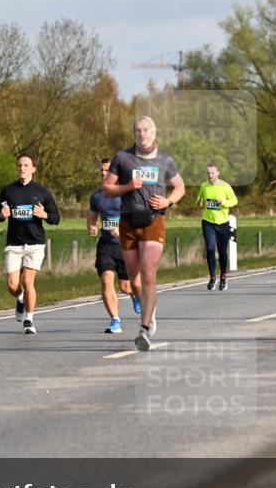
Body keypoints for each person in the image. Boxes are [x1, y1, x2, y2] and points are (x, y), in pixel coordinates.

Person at [103, 116, 185, 352]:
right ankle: (150, 307)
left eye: (146, 130)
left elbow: (180, 187)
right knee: (134, 280)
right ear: (134, 134)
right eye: (138, 130)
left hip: (153, 221)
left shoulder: (164, 160)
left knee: (148, 274)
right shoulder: (122, 158)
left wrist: (168, 201)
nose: (142, 134)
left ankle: (144, 328)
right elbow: (107, 189)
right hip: (128, 222)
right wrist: (127, 187)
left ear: (154, 132)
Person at [0, 153, 61, 334]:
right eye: (19, 165)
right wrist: (2, 215)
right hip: (14, 244)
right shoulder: (8, 191)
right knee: (12, 285)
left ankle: (29, 320)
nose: (22, 168)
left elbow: (56, 218)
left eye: (25, 165)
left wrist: (45, 215)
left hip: (35, 244)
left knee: (27, 280)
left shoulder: (42, 192)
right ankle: (20, 297)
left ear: (33, 169)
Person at [88, 159, 140, 334]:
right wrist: (92, 226)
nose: (104, 173)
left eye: (107, 170)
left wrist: (122, 228)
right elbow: (92, 216)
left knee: (125, 287)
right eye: (101, 170)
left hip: (126, 245)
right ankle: (115, 320)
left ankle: (134, 295)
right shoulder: (97, 196)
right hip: (106, 245)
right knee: (106, 280)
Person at [196, 162, 238, 290]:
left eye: (212, 173)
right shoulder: (204, 186)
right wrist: (200, 202)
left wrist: (223, 202)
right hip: (208, 222)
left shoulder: (225, 186)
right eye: (208, 173)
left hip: (222, 223)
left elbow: (234, 201)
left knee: (222, 251)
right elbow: (199, 200)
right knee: (210, 249)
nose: (210, 175)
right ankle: (212, 277)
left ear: (218, 173)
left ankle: (223, 276)